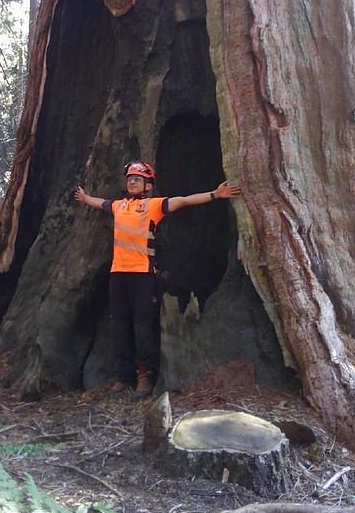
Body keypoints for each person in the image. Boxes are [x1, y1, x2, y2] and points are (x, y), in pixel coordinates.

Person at [75, 161, 240, 399]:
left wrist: (215, 194)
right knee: (120, 325)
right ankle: (123, 376)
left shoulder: (153, 206)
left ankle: (146, 375)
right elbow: (99, 203)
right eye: (129, 178)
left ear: (148, 185)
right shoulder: (118, 206)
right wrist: (85, 197)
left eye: (137, 179)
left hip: (143, 275)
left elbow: (183, 200)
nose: (131, 182)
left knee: (143, 326)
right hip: (117, 274)